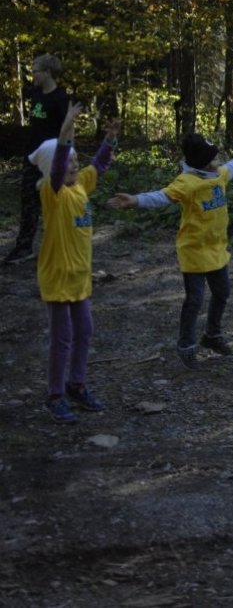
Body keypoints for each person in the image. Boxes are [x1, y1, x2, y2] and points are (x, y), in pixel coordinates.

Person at [108, 134, 233, 370]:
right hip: (194, 251)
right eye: (214, 159)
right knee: (194, 300)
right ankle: (186, 345)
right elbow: (162, 196)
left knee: (222, 292)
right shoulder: (187, 183)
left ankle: (212, 335)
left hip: (216, 249)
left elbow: (231, 168)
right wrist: (135, 200)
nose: (218, 162)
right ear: (202, 163)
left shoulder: (218, 175)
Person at [33, 102, 120, 423]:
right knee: (62, 338)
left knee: (84, 331)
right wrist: (66, 126)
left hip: (80, 277)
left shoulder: (80, 185)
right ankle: (55, 395)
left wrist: (110, 139)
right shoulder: (52, 192)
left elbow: (99, 165)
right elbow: (57, 164)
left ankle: (76, 385)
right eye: (68, 161)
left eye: (74, 160)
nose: (73, 164)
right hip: (58, 276)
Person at [4, 54, 69, 265]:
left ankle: (59, 247)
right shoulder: (36, 94)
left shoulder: (60, 98)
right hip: (32, 156)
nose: (33, 75)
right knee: (28, 202)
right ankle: (23, 247)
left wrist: (66, 156)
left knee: (55, 203)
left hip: (52, 158)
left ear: (48, 72)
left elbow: (67, 129)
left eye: (36, 71)